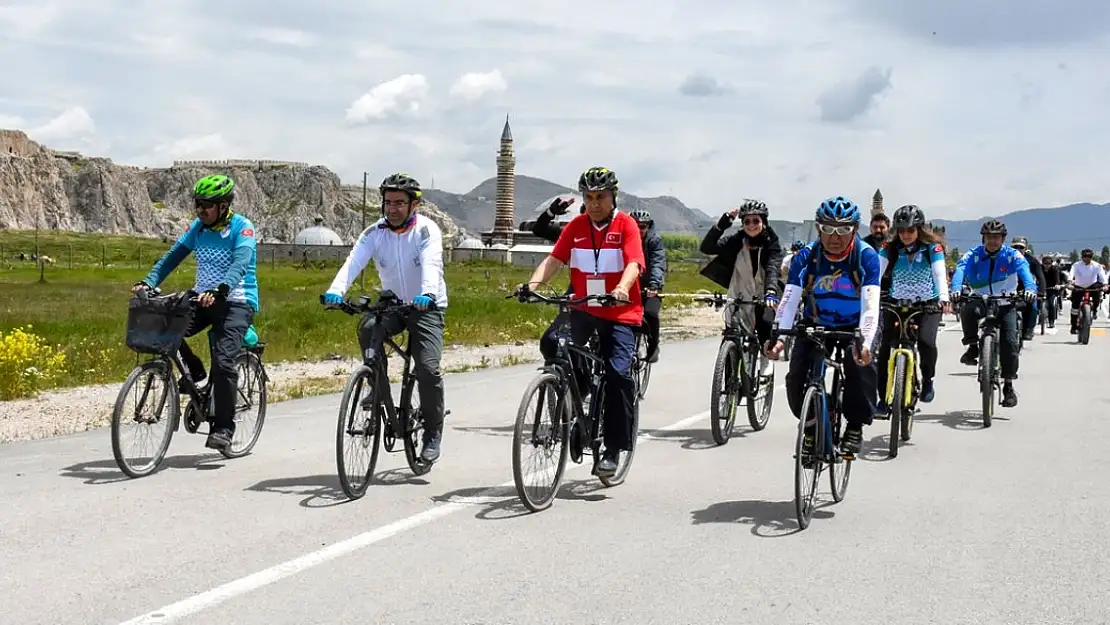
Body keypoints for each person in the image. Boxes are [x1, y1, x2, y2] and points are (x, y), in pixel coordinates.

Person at [520, 166, 643, 476]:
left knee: (617, 373)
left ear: (613, 196)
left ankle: (613, 449)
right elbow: (554, 260)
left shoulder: (626, 225)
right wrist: (532, 286)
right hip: (583, 307)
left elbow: (634, 263)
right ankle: (580, 389)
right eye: (588, 197)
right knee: (551, 342)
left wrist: (621, 288)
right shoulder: (576, 226)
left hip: (620, 311)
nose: (594, 203)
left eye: (600, 197)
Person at [323, 173, 448, 464]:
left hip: (426, 305)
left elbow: (431, 264)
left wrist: (427, 294)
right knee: (368, 327)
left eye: (399, 203)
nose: (392, 209)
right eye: (388, 203)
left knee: (428, 369)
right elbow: (353, 261)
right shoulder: (374, 232)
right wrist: (335, 291)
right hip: (392, 302)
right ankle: (377, 387)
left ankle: (432, 431)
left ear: (414, 205)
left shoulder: (427, 231)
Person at [133, 174, 259, 451]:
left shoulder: (242, 228)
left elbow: (240, 262)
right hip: (202, 297)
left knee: (225, 362)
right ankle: (194, 369)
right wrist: (149, 281)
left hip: (236, 300)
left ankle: (224, 427)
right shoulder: (198, 228)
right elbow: (173, 256)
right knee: (165, 328)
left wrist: (221, 290)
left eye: (206, 205)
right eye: (197, 205)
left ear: (224, 206)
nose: (200, 210)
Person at [767, 196, 881, 456]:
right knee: (796, 378)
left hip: (856, 324)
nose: (835, 236)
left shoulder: (866, 256)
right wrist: (779, 336)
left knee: (860, 366)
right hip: (816, 322)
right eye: (828, 229)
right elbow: (789, 299)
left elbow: (871, 306)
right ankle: (812, 424)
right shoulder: (807, 256)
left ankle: (854, 425)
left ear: (855, 229)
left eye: (843, 229)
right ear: (819, 228)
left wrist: (864, 341)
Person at [949, 219, 1037, 407]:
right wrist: (956, 288)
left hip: (1006, 302)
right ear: (983, 238)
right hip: (980, 298)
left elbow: (1025, 272)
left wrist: (1030, 288)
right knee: (968, 309)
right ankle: (972, 346)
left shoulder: (1013, 255)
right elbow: (960, 269)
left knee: (1010, 344)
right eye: (989, 237)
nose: (993, 241)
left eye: (997, 237)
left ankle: (1009, 385)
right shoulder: (973, 254)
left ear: (1003, 239)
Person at [874, 205, 951, 413]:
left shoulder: (932, 248)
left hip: (928, 303)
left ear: (919, 229)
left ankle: (927, 379)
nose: (905, 235)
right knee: (883, 351)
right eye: (901, 230)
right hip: (896, 302)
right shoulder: (889, 248)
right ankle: (882, 399)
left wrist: (943, 297)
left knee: (926, 342)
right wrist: (868, 294)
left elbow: (938, 273)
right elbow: (876, 273)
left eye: (910, 230)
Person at [699, 199, 784, 376]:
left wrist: (770, 292)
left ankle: (765, 355)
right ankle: (730, 379)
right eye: (747, 221)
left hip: (764, 293)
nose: (751, 225)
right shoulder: (737, 240)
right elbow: (707, 247)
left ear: (763, 222)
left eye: (756, 221)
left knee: (766, 322)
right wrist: (724, 222)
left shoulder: (772, 243)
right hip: (739, 292)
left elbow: (772, 269)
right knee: (731, 334)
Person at [628, 209, 666, 362]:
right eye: (634, 226)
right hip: (630, 285)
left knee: (650, 313)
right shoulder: (624, 239)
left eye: (642, 227)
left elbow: (657, 262)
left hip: (650, 285)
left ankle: (653, 345)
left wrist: (654, 284)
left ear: (648, 227)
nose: (638, 230)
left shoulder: (654, 240)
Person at [1009, 236, 1046, 341]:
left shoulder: (1033, 261)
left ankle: (1029, 329)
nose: (1018, 250)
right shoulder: (1005, 259)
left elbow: (1040, 277)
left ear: (1025, 248)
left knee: (1033, 306)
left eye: (1021, 247)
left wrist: (1041, 292)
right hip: (1009, 288)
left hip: (1027, 288)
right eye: (1015, 247)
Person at [1067, 248, 1107, 334]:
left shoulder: (1097, 266)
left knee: (1097, 292)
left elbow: (1102, 276)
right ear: (1082, 257)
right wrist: (1070, 283)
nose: (1086, 258)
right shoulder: (1076, 265)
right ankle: (1073, 326)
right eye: (1085, 256)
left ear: (1091, 257)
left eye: (1089, 256)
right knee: (1074, 307)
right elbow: (1071, 275)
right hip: (1079, 286)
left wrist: (1105, 285)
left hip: (1092, 285)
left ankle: (1095, 310)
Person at [1041, 254, 1068, 328]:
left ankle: (1051, 321)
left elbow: (1057, 279)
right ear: (1042, 263)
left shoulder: (1055, 270)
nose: (1047, 265)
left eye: (1048, 264)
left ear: (1051, 263)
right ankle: (1039, 318)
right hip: (1041, 288)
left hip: (1052, 289)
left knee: (1052, 305)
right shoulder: (1040, 269)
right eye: (1045, 263)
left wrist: (1057, 285)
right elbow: (1035, 277)